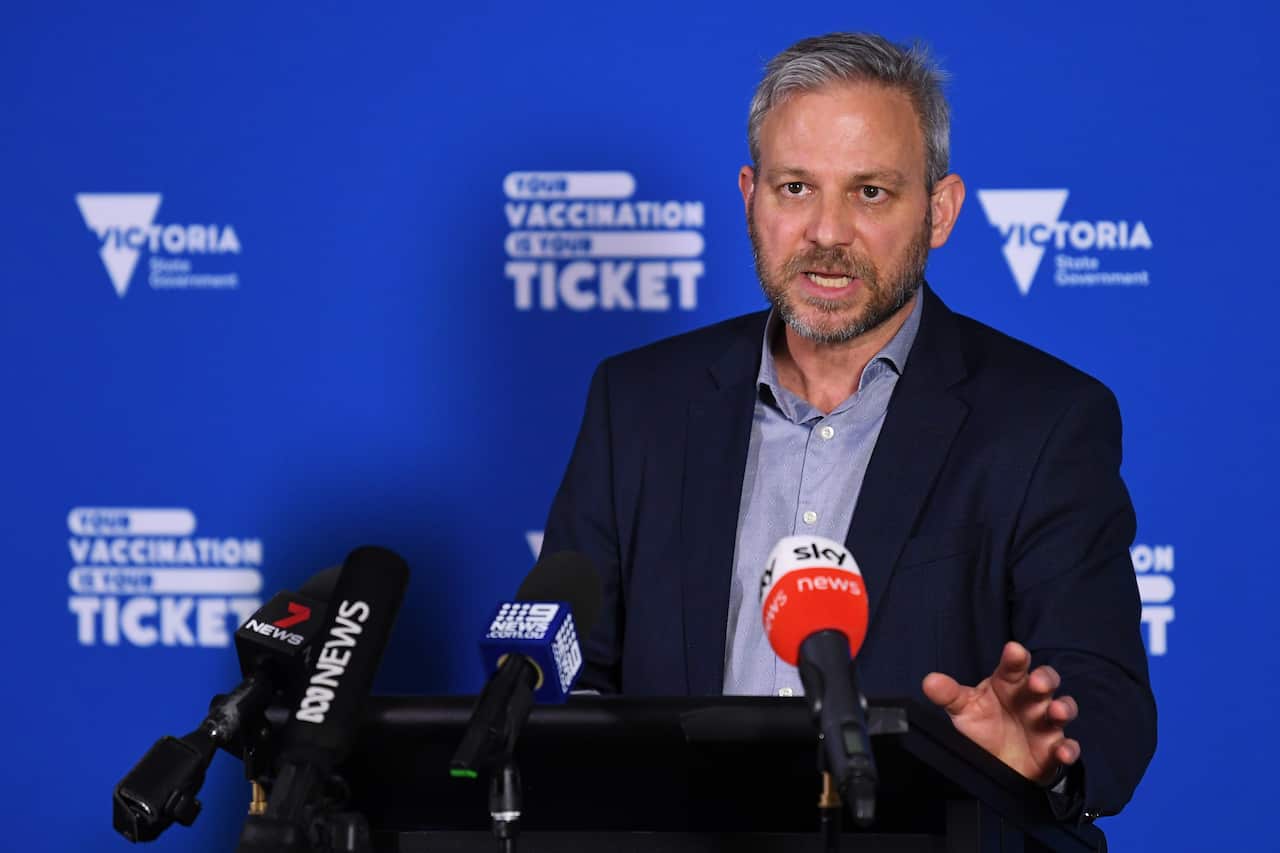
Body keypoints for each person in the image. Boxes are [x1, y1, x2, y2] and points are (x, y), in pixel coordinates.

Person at [542, 32, 1155, 821]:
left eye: (870, 192)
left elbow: (1106, 699)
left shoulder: (1046, 421)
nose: (827, 232)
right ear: (749, 197)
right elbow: (563, 677)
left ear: (939, 211)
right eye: (796, 188)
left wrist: (1040, 751)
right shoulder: (637, 404)